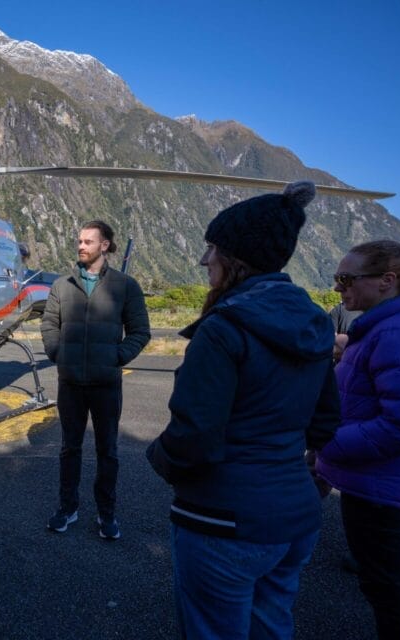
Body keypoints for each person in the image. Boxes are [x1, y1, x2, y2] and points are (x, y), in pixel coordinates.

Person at [145, 182, 341, 639]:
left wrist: (159, 458)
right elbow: (326, 422)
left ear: (234, 258)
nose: (203, 259)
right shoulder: (314, 322)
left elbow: (194, 435)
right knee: (272, 626)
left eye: (211, 247)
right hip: (295, 516)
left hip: (224, 521)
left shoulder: (223, 329)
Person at [316, 239, 400, 640]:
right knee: (382, 582)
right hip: (374, 480)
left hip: (383, 488)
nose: (338, 288)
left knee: (387, 587)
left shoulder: (398, 333)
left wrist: (327, 441)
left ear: (387, 281)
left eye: (346, 278)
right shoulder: (384, 327)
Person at [41, 220, 150, 539]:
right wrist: (56, 353)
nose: (81, 246)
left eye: (88, 241)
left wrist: (116, 357)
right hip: (70, 383)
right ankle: (67, 508)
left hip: (106, 385)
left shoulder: (125, 286)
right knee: (68, 449)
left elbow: (141, 332)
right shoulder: (62, 286)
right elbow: (49, 324)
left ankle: (106, 514)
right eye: (79, 241)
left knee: (108, 451)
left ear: (105, 246)